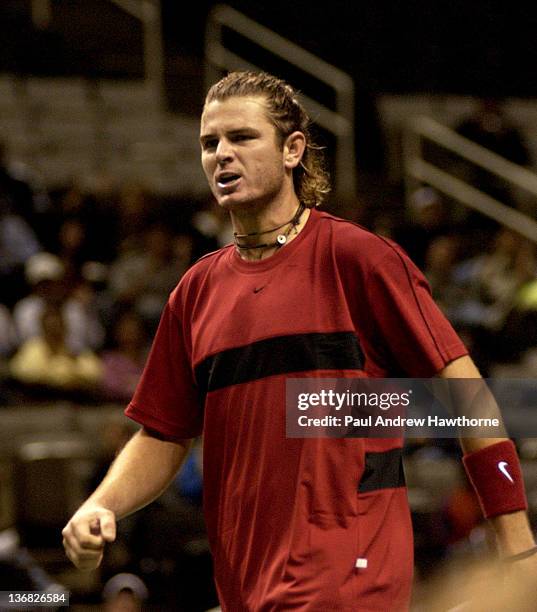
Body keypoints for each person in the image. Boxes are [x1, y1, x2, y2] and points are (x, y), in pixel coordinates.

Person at [62, 72, 536, 611]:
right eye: (209, 143)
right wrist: (100, 504)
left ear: (293, 150)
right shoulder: (195, 291)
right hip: (245, 587)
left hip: (349, 583)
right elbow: (164, 434)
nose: (221, 154)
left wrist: (516, 547)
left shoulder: (358, 260)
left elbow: (465, 398)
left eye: (242, 138)